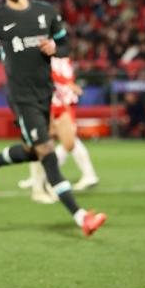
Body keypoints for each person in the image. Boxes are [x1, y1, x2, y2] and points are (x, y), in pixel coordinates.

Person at [0, 0, 106, 237]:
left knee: (34, 149)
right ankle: (81, 216)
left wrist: (54, 48)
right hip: (21, 98)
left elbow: (65, 46)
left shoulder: (45, 13)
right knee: (48, 154)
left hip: (46, 94)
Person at [19, 56, 100, 202]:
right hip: (53, 98)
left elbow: (55, 75)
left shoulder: (58, 57)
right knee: (48, 139)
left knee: (61, 141)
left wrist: (68, 85)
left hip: (58, 100)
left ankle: (45, 177)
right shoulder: (55, 56)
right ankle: (43, 178)